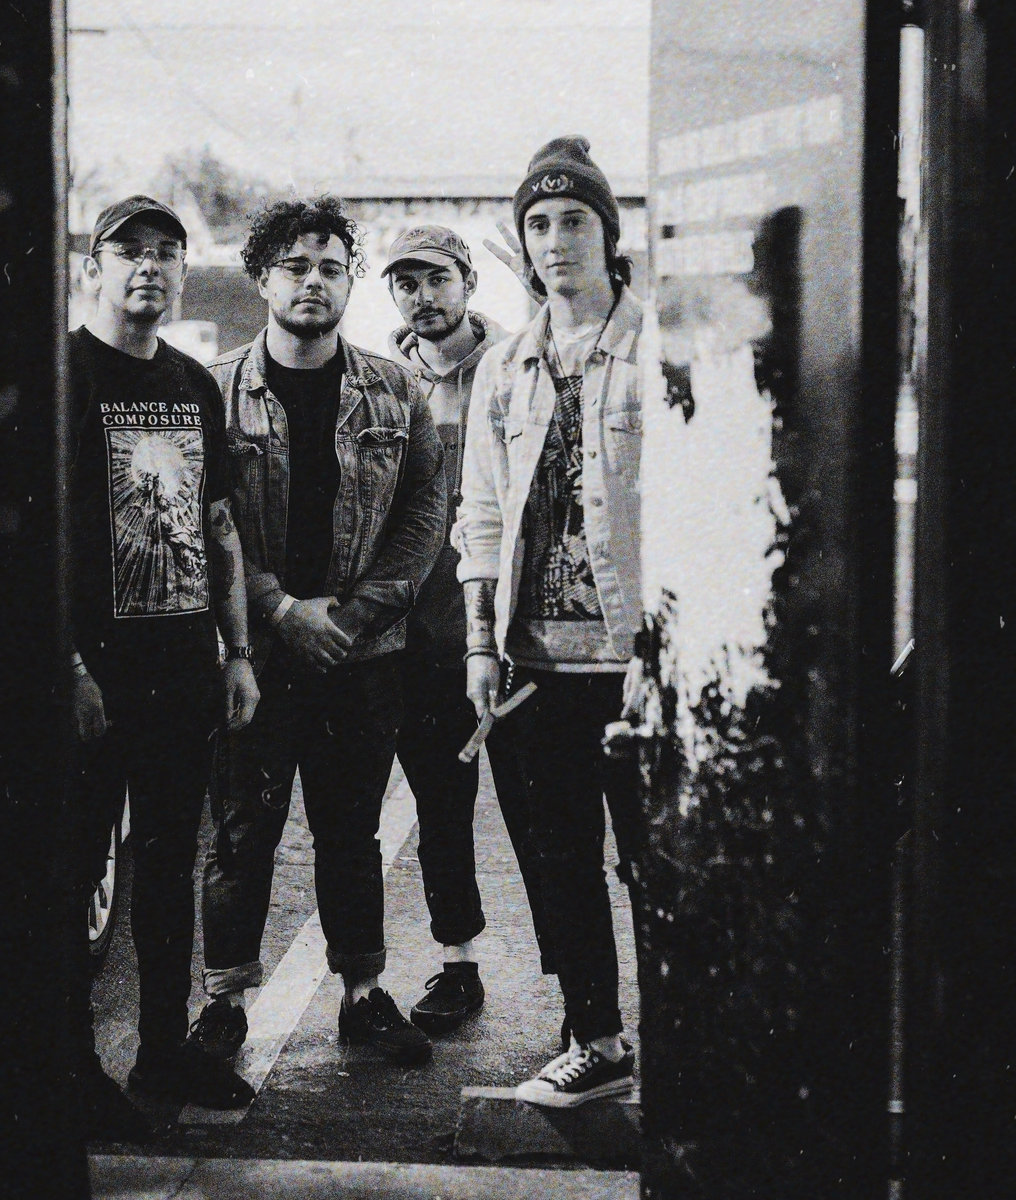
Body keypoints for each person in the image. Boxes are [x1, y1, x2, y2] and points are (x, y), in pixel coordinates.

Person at [192, 196, 447, 1070]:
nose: (313, 282)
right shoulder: (214, 390)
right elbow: (206, 517)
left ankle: (363, 996)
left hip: (360, 654)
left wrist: (355, 614)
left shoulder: (396, 389)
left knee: (351, 832)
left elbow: (425, 513)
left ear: (350, 281)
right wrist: (278, 609)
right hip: (256, 657)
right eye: (295, 267)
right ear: (262, 280)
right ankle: (224, 1004)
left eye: (331, 268)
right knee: (242, 832)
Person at [453, 137, 647, 1107]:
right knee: (561, 859)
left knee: (658, 859)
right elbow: (482, 514)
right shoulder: (504, 366)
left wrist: (666, 650)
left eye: (575, 220)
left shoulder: (658, 349)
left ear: (609, 234)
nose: (556, 239)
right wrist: (480, 642)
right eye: (537, 223)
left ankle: (701, 1040)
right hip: (536, 662)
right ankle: (597, 1040)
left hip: (636, 659)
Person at [67, 195, 260, 1130]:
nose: (149, 265)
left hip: (181, 665)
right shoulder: (62, 376)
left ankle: (162, 1049)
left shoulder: (191, 383)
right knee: (72, 868)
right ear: (93, 269)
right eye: (129, 250)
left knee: (169, 859)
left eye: (166, 252)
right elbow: (32, 539)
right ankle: (66, 1066)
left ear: (183, 272)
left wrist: (238, 651)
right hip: (93, 675)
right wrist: (66, 666)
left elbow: (217, 524)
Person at [381, 226, 555, 1034]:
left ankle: (579, 993)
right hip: (423, 642)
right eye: (406, 282)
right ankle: (457, 965)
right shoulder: (383, 384)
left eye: (437, 278)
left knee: (541, 817)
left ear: (468, 282)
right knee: (441, 814)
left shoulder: (517, 364)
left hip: (511, 640)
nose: (423, 296)